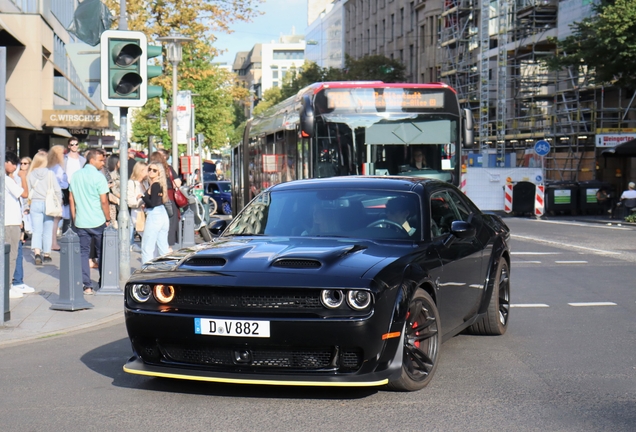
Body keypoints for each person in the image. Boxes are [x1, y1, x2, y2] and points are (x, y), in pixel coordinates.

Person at [69, 149, 111, 295]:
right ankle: (102, 281)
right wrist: (108, 218)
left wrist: (75, 218)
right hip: (98, 219)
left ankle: (87, 285)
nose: (103, 162)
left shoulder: (76, 176)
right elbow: (104, 201)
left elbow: (71, 199)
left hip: (81, 221)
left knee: (83, 254)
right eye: (101, 160)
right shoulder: (99, 177)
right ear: (92, 160)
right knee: (101, 252)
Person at [5, 152, 35, 298]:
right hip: (10, 223)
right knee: (12, 255)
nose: (16, 167)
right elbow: (24, 194)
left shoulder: (7, 179)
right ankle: (8, 286)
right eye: (13, 163)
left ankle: (10, 284)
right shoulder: (6, 180)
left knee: (11, 254)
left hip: (11, 221)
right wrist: (23, 178)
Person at [27, 152, 62, 265]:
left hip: (35, 203)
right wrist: (59, 203)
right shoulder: (50, 174)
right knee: (48, 230)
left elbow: (27, 191)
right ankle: (47, 254)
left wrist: (26, 205)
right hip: (49, 204)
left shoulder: (31, 174)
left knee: (37, 230)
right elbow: (57, 190)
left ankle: (37, 253)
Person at [140, 162, 170, 263]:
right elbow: (157, 201)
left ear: (159, 173)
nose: (151, 172)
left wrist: (142, 197)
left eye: (154, 170)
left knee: (147, 247)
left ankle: (146, 272)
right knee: (163, 246)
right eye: (149, 169)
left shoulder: (155, 185)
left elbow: (152, 203)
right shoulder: (159, 184)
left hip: (155, 215)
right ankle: (167, 269)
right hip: (162, 213)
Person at [150, 151, 180, 249]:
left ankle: (159, 248)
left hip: (156, 200)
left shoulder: (151, 170)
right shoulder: (169, 169)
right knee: (170, 226)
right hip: (170, 199)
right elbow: (178, 183)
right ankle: (168, 248)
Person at [47, 145, 68, 250]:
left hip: (48, 194)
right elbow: (61, 183)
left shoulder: (49, 166)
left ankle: (49, 242)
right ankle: (53, 242)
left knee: (50, 220)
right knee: (56, 220)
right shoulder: (59, 168)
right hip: (57, 194)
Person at [63, 136, 86, 232]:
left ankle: (78, 230)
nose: (74, 146)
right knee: (67, 211)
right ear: (68, 146)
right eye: (72, 144)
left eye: (76, 144)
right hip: (67, 186)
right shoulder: (64, 158)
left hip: (79, 187)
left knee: (79, 209)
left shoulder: (82, 160)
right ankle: (66, 231)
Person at [127, 161, 148, 249]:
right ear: (141, 171)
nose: (148, 172)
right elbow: (130, 201)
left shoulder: (145, 183)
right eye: (147, 170)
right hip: (137, 212)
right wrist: (141, 200)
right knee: (142, 231)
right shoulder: (132, 183)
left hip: (145, 211)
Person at [107, 154, 121, 227]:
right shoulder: (113, 174)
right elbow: (113, 188)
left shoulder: (117, 173)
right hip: (114, 201)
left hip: (116, 200)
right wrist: (120, 196)